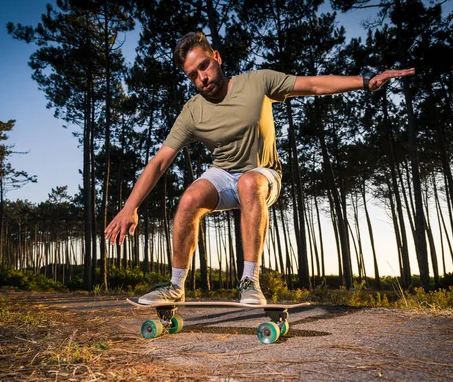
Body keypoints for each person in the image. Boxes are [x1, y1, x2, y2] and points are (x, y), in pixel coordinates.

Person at [105, 32, 414, 305]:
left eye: (204, 66)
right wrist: (130, 207)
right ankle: (175, 286)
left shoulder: (258, 82)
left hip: (263, 172)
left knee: (249, 184)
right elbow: (159, 162)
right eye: (192, 75)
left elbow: (314, 85)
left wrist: (365, 81)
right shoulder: (192, 111)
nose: (202, 78)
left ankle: (250, 281)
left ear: (217, 58)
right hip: (223, 174)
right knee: (188, 200)